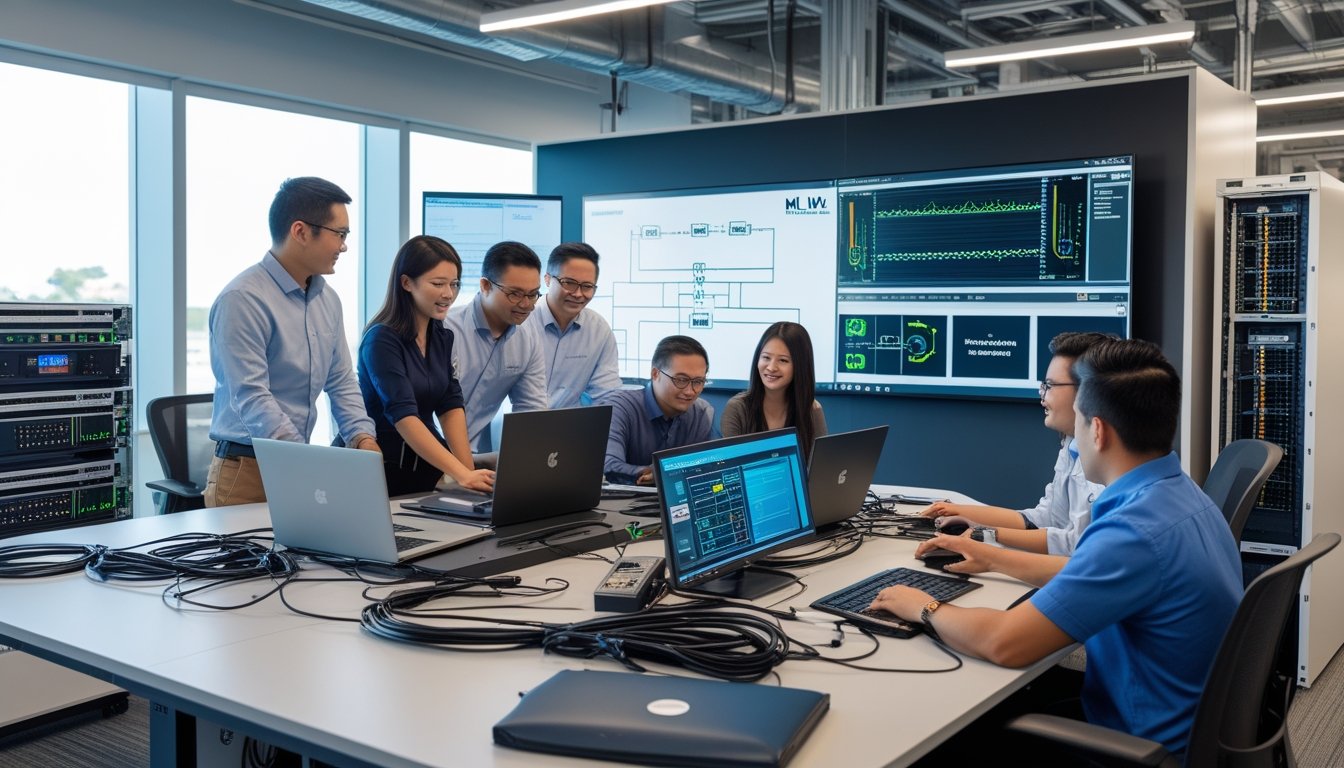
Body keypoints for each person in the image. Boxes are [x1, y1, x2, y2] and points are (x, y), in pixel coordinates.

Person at [870, 338, 1243, 759]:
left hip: (1138, 747)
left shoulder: (1133, 531)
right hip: (1174, 719)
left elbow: (1004, 642)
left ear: (1097, 430)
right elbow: (1089, 572)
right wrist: (993, 555)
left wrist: (922, 606)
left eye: (1079, 422)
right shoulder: (1179, 496)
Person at [205, 176, 378, 507]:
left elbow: (341, 381)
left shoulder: (328, 300)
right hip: (248, 470)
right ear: (300, 232)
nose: (344, 246)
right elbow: (251, 396)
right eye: (340, 234)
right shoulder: (243, 299)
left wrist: (362, 438)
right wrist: (305, 462)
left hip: (299, 464)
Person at [918, 332, 1110, 578]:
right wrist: (959, 513)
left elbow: (1076, 547)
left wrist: (986, 542)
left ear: (1087, 392)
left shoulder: (1103, 466)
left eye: (1049, 385)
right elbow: (1047, 518)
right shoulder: (1072, 444)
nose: (1042, 394)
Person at [357, 236, 495, 497]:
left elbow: (450, 406)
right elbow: (404, 416)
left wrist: (469, 475)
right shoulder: (381, 339)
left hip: (421, 470)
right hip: (380, 472)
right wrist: (462, 474)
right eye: (438, 284)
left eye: (454, 284)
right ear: (406, 283)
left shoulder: (442, 336)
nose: (449, 294)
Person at [445, 241, 549, 453]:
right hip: (428, 454)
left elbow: (531, 411)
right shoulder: (446, 330)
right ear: (485, 286)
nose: (526, 304)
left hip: (474, 458)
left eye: (533, 294)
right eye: (515, 294)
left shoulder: (528, 337)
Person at [600, 335, 715, 485]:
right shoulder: (620, 407)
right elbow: (607, 465)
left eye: (698, 382)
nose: (690, 391)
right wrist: (656, 474)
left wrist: (664, 473)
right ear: (655, 374)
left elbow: (708, 467)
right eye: (681, 380)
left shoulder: (701, 413)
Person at [524, 242, 621, 408]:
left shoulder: (599, 330)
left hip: (572, 423)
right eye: (569, 283)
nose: (578, 294)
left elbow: (606, 394)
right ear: (547, 279)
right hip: (515, 420)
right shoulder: (522, 322)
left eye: (587, 286)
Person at [720, 321, 827, 459]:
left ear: (799, 366)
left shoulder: (812, 410)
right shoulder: (737, 409)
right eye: (766, 357)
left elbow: (820, 466)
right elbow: (731, 465)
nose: (771, 367)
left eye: (783, 360)